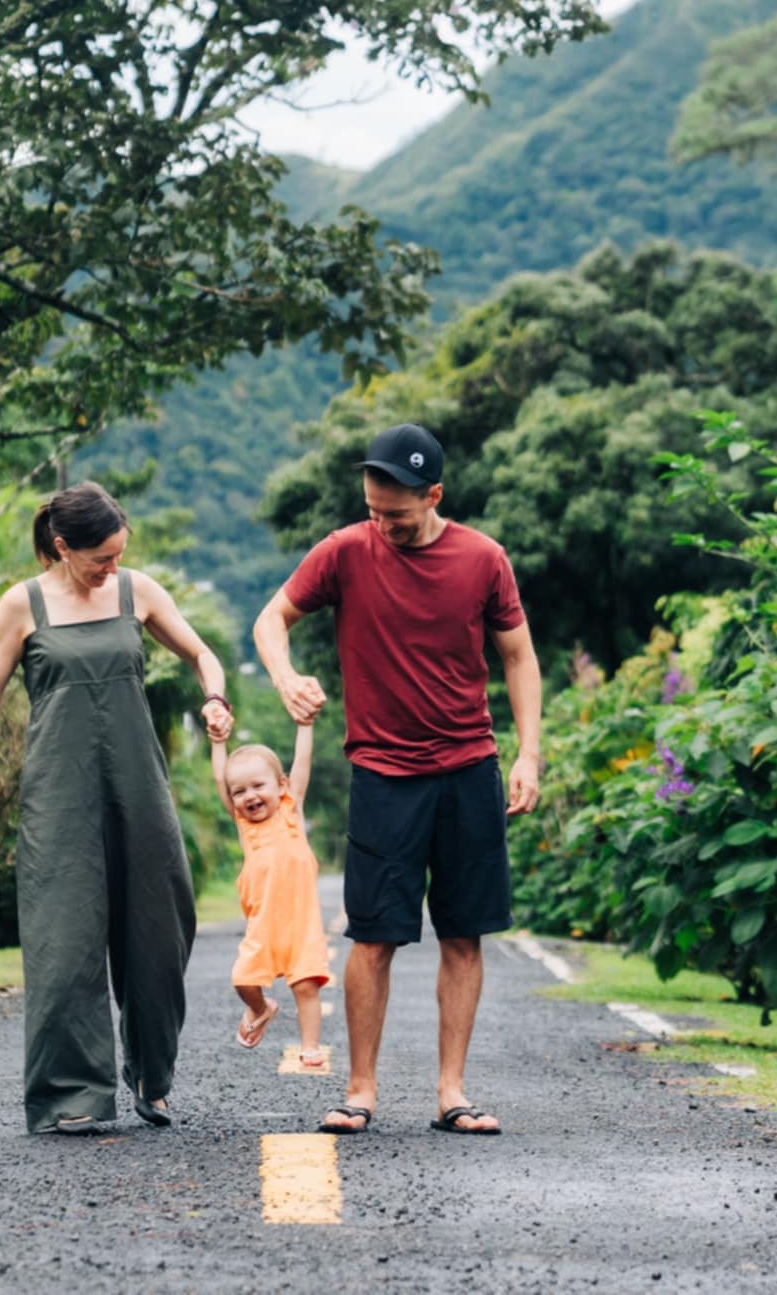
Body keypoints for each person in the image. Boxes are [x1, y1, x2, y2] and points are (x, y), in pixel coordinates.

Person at [253, 422, 541, 1136]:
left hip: (469, 768)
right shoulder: (346, 550)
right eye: (374, 509)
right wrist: (286, 677)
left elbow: (518, 658)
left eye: (398, 515)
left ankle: (452, 1092)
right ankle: (359, 1090)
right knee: (374, 936)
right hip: (383, 773)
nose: (383, 524)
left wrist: (529, 753)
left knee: (464, 933)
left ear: (434, 495)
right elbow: (272, 618)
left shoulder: (484, 559)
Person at [0, 481, 233, 1134]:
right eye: (101, 558)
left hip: (138, 785)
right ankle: (72, 1093)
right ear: (63, 546)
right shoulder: (20, 606)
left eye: (118, 555)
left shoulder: (137, 591)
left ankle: (151, 1075)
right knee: (64, 942)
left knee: (160, 928)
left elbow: (200, 652)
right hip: (60, 794)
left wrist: (216, 695)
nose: (113, 566)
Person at [213, 719, 330, 1067]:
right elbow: (220, 778)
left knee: (306, 987)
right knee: (243, 980)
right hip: (262, 925)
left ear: (281, 787)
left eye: (258, 786)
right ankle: (261, 1008)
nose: (249, 796)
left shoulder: (291, 813)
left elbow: (302, 764)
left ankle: (310, 1047)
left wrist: (304, 725)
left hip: (301, 925)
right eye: (240, 791)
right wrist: (218, 743)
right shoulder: (246, 827)